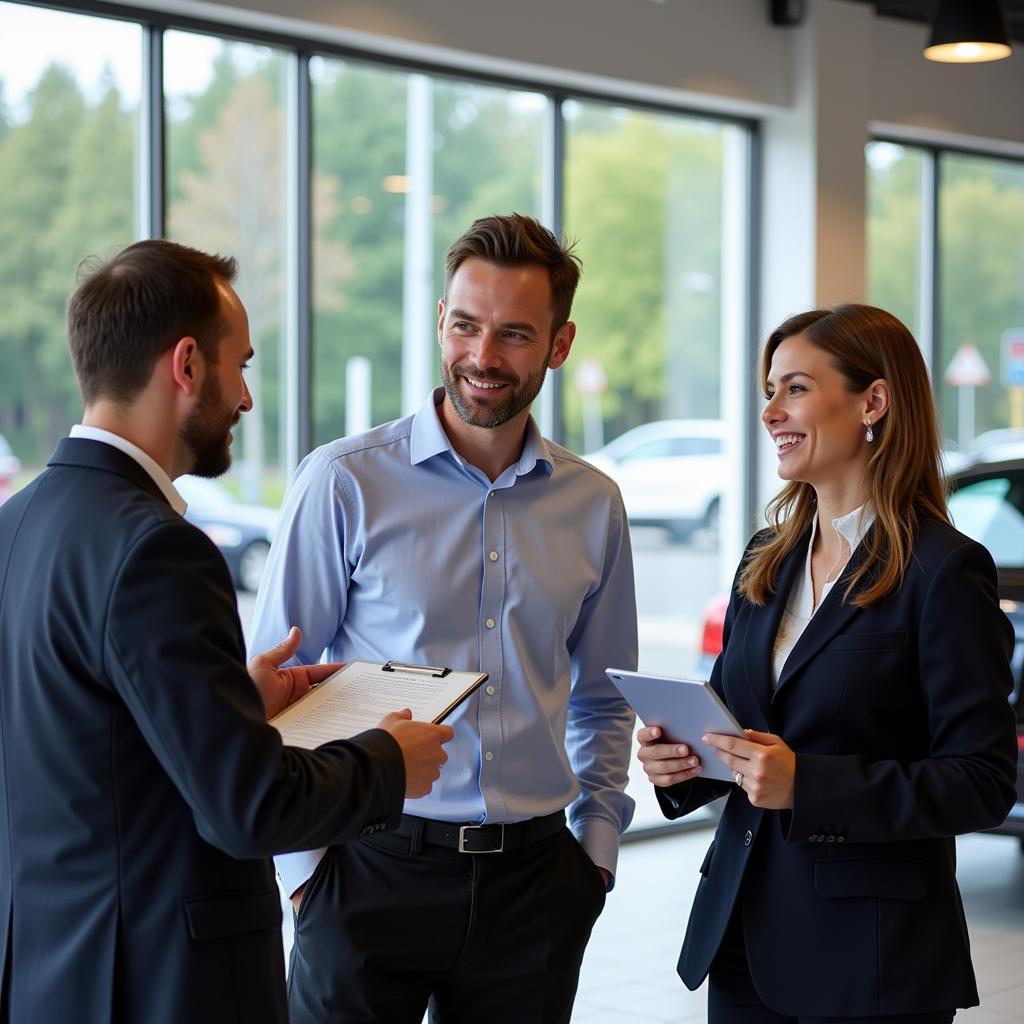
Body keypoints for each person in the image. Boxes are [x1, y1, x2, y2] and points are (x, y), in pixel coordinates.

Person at [0, 239, 453, 1024]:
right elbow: (248, 811)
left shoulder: (16, 525)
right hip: (157, 981)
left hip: (48, 969)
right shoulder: (158, 550)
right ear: (186, 366)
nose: (246, 397)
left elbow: (79, 741)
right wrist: (388, 761)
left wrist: (235, 705)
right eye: (239, 365)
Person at [250, 213, 638, 1024]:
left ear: (560, 346)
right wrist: (306, 877)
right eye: (465, 325)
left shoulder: (594, 504)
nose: (483, 358)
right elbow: (275, 694)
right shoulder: (343, 483)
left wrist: (594, 853)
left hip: (536, 889)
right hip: (367, 872)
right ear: (440, 321)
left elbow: (604, 697)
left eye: (515, 335)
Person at [638, 304, 1018, 1024]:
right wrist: (680, 764)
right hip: (743, 937)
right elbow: (739, 722)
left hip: (869, 959)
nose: (770, 411)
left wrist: (809, 784)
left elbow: (982, 781)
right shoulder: (765, 558)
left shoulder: (945, 571)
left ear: (872, 401)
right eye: (769, 390)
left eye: (796, 389)